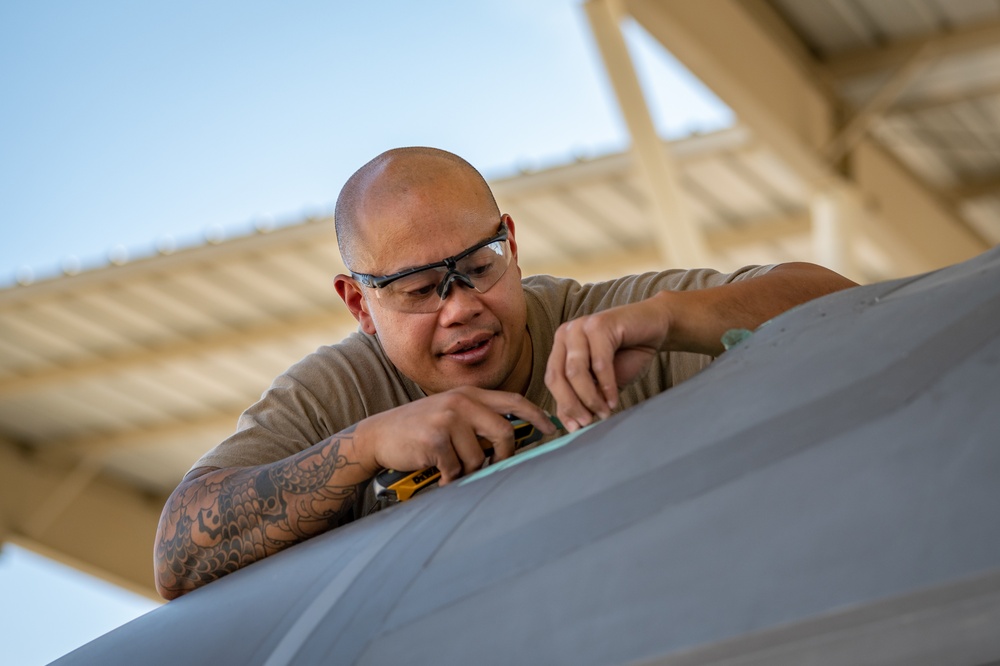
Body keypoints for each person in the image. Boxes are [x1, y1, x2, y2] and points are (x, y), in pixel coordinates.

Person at [153, 147, 856, 600]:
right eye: (419, 288)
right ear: (358, 304)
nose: (461, 308)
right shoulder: (332, 396)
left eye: (480, 267)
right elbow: (176, 558)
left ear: (512, 244)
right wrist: (362, 447)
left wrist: (673, 317)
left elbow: (849, 308)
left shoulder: (605, 320)